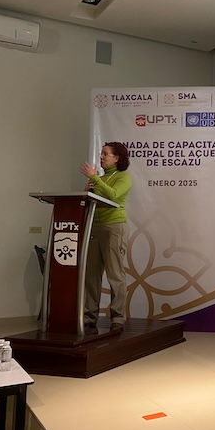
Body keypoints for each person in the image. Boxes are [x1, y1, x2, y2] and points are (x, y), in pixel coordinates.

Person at [80, 142, 132, 333]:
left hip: (114, 228)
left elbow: (113, 196)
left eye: (105, 154)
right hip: (95, 227)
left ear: (116, 158)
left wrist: (95, 179)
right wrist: (87, 190)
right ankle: (89, 317)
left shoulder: (123, 177)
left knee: (115, 274)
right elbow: (90, 201)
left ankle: (117, 317)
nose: (101, 157)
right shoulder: (99, 178)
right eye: (101, 153)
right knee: (91, 275)